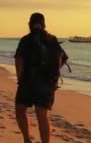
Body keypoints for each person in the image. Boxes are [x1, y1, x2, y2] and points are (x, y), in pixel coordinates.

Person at [14, 12, 68, 143]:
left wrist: (20, 78)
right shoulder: (52, 39)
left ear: (29, 24)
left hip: (28, 81)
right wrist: (52, 75)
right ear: (44, 24)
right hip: (47, 83)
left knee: (20, 110)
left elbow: (19, 60)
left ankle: (27, 139)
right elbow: (63, 58)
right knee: (42, 115)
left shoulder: (26, 39)